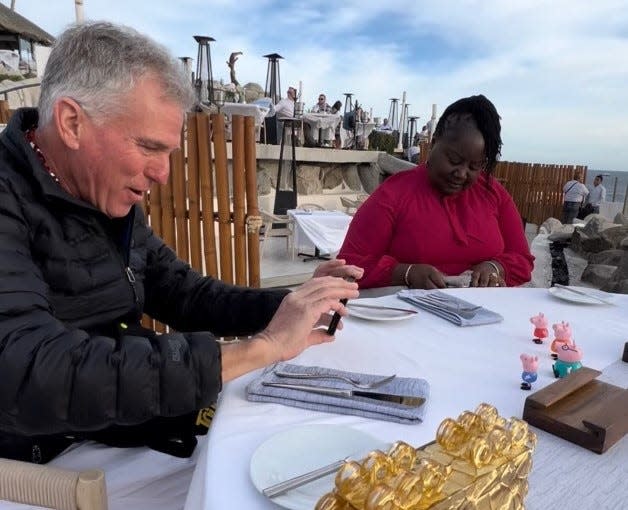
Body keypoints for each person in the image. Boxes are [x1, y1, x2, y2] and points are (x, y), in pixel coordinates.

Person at [0, 21, 362, 464]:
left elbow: (181, 292)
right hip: (43, 464)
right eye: (149, 147)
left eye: (168, 152)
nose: (163, 173)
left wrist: (290, 306)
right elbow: (26, 368)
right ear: (72, 122)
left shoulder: (101, 193)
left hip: (128, 426)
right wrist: (256, 350)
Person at [337, 94, 534, 289]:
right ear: (434, 142)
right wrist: (405, 273)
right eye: (454, 160)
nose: (461, 173)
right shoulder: (394, 193)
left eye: (475, 166)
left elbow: (523, 261)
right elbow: (347, 266)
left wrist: (495, 267)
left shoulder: (492, 192)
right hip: (408, 314)